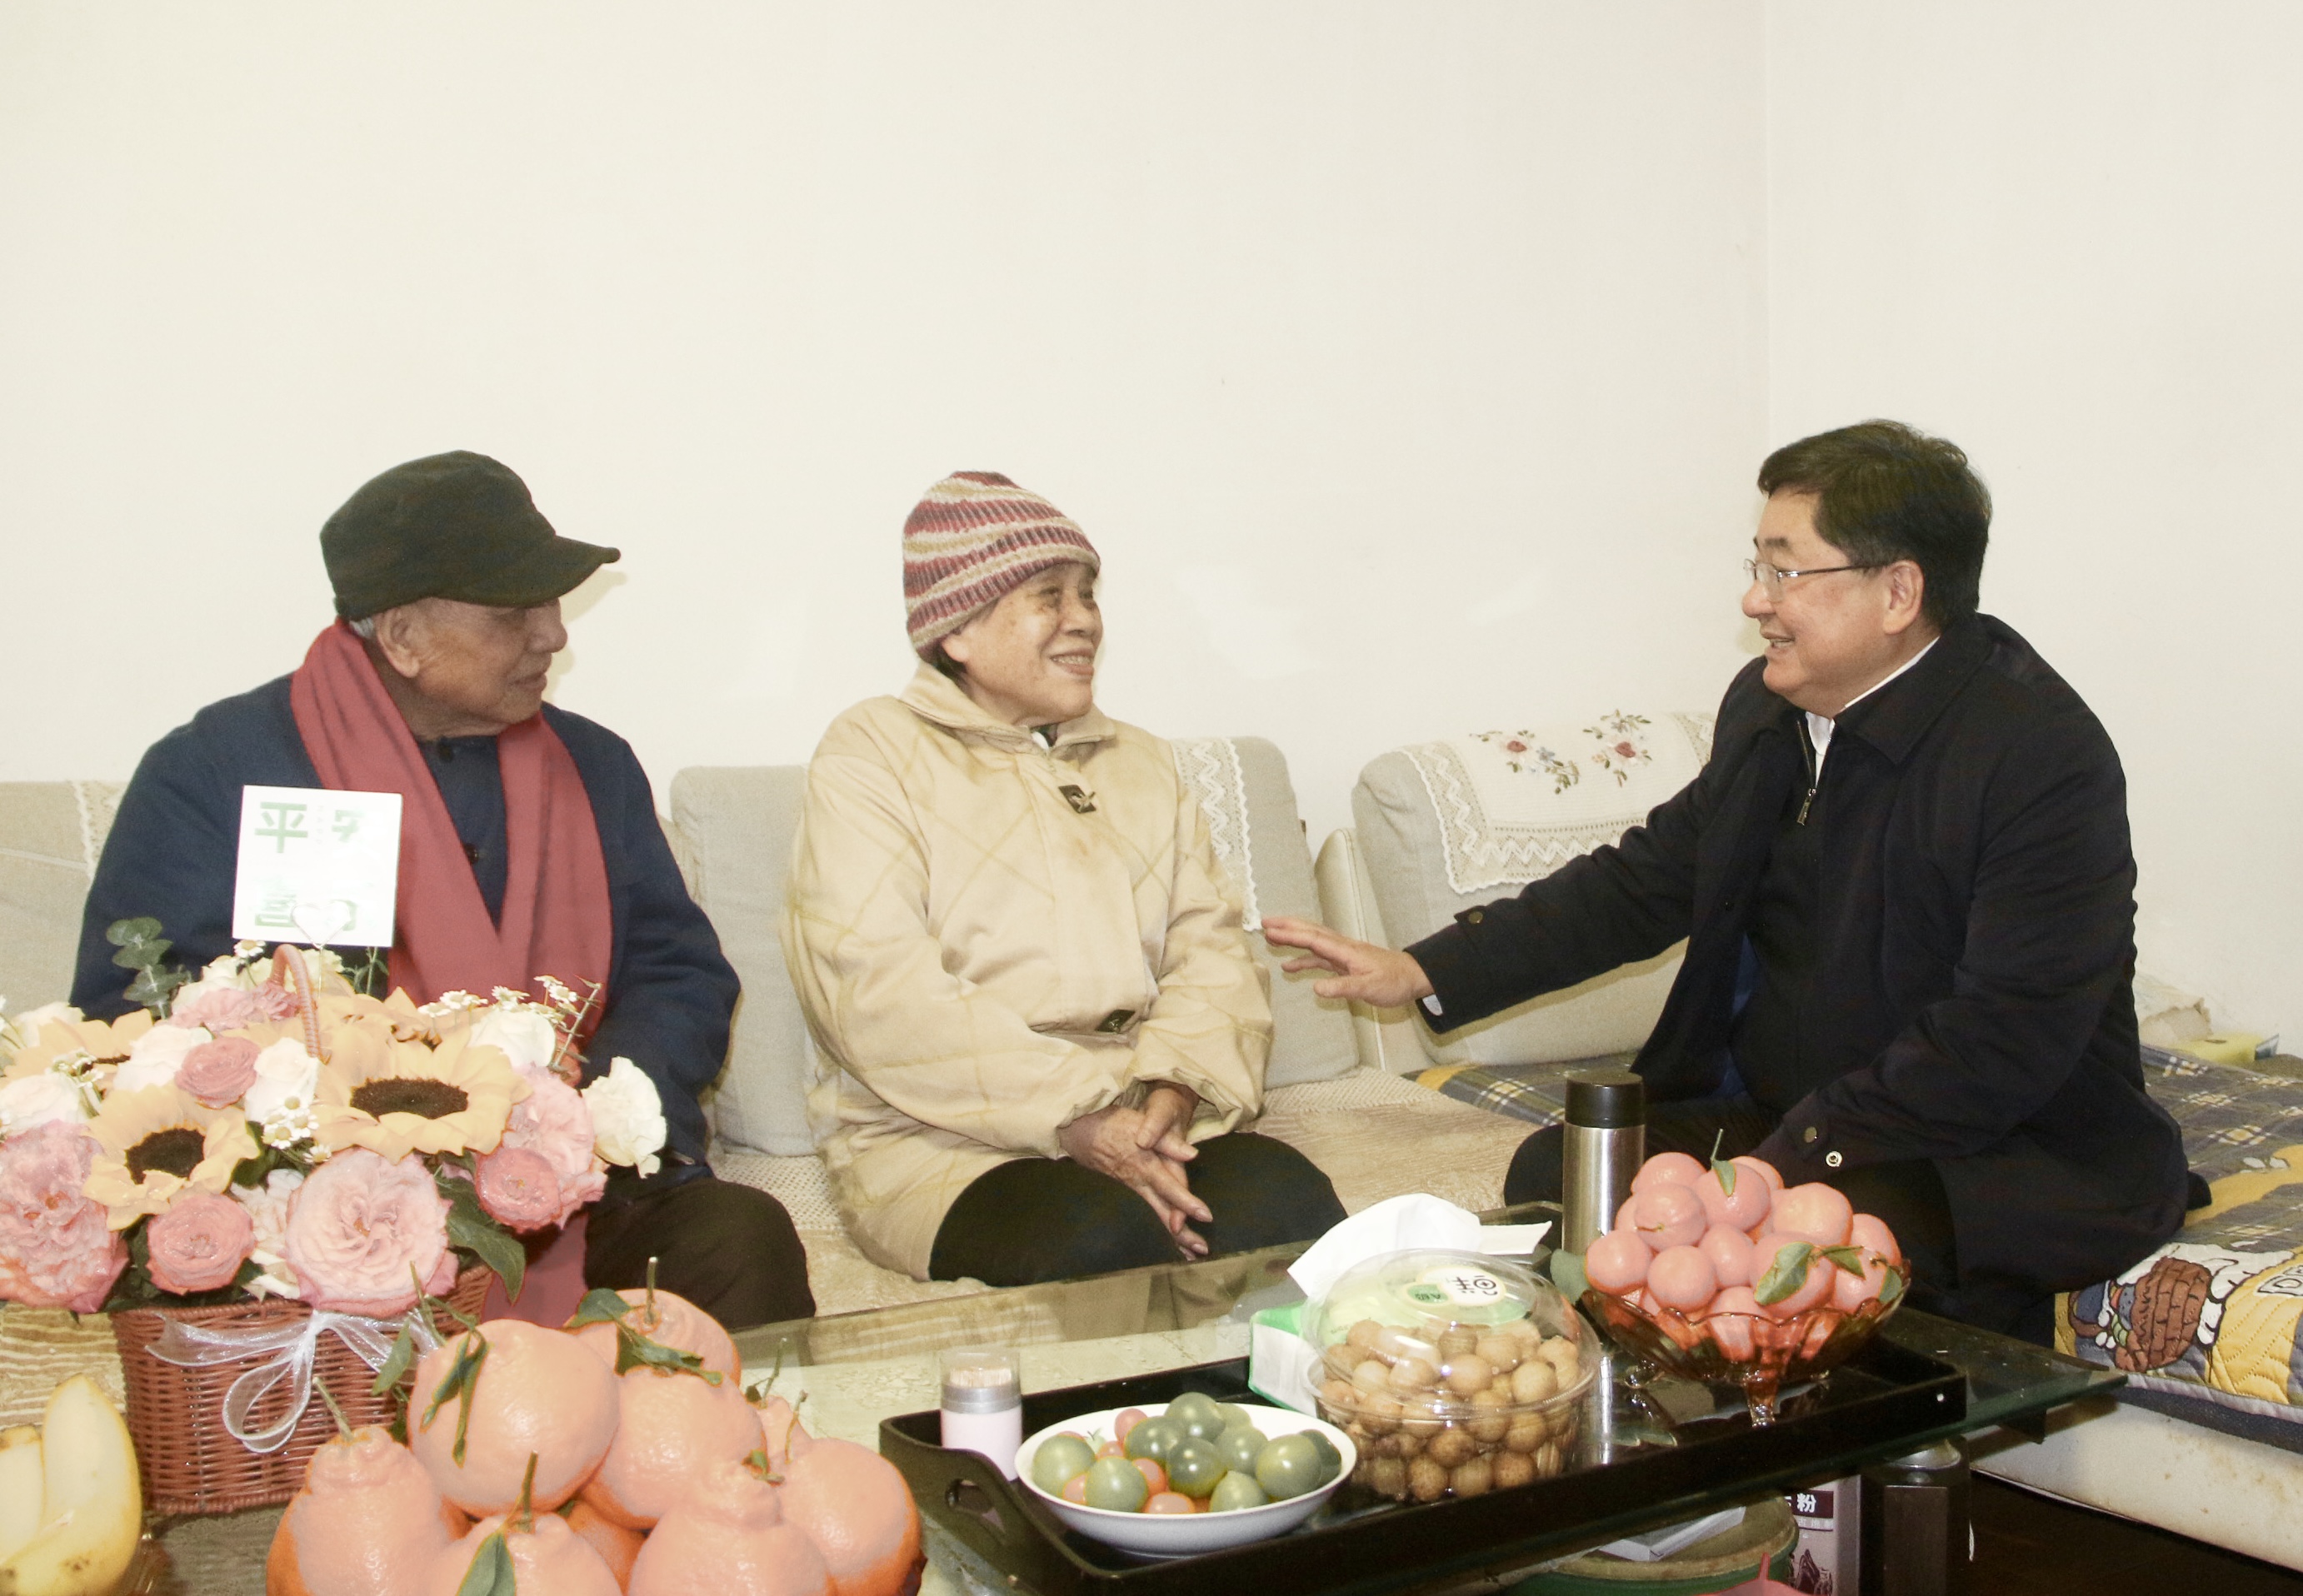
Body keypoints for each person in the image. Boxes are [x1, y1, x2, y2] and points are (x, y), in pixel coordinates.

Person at [1265, 421, 2190, 1342]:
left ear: (1898, 591)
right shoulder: (1768, 707)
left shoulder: (2035, 755)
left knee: (1813, 1249)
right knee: (1568, 1173)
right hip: (1794, 1117)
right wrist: (1423, 968)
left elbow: (2004, 1035)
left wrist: (1788, 1162)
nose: (1756, 600)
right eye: (1757, 566)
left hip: (1991, 1145)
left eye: (1787, 572)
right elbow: (1649, 877)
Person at [72, 451, 814, 1329]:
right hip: (328, 1217)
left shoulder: (593, 766)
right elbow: (139, 1019)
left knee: (739, 1239)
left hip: (578, 1190)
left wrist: (578, 1121)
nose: (553, 635)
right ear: (402, 637)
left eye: (552, 604)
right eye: (513, 613)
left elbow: (677, 972)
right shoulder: (218, 773)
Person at [783, 470, 1346, 1285]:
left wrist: (1172, 1091)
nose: (1083, 618)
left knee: (1290, 1210)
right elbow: (871, 986)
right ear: (957, 629)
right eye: (1049, 596)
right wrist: (1080, 1116)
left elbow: (1212, 950)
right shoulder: (872, 752)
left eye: (1087, 593)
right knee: (1098, 1244)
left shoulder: (1142, 761)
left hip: (1146, 1109)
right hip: (940, 1140)